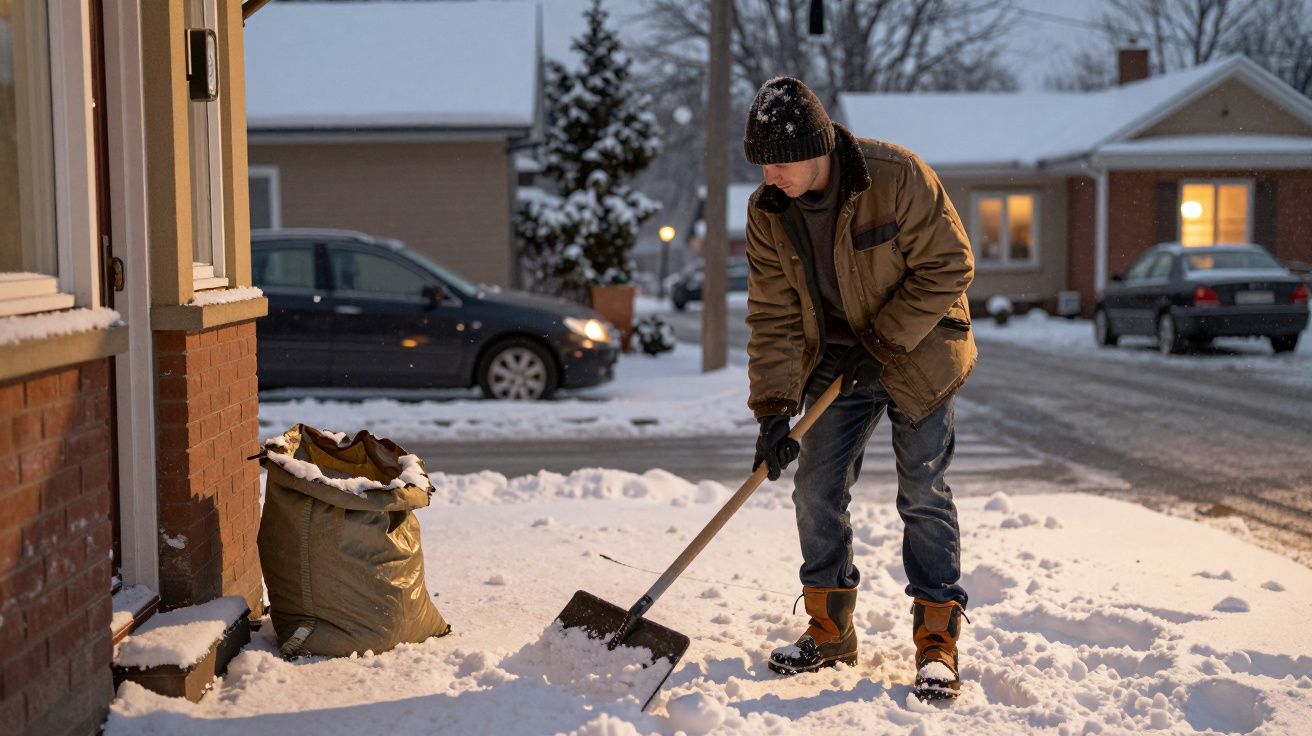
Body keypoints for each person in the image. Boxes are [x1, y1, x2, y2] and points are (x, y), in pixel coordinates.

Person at [741, 76, 977, 699]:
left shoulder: (894, 176)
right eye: (762, 162)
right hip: (839, 359)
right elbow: (773, 313)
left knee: (922, 488)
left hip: (919, 348)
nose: (771, 175)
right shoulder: (769, 209)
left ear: (819, 148)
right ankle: (830, 628)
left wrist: (887, 340)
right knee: (813, 487)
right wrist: (772, 409)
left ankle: (936, 643)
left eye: (782, 161)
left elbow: (951, 264)